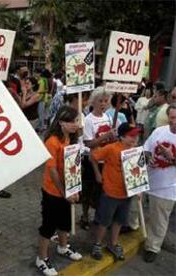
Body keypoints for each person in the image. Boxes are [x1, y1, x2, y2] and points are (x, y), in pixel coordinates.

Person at [36, 106, 82, 276]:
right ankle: (41, 258)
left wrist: (74, 188)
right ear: (61, 122)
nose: (75, 124)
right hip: (53, 192)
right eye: (72, 121)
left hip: (69, 189)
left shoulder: (72, 139)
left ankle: (63, 247)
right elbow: (53, 170)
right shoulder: (52, 141)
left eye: (77, 121)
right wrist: (64, 192)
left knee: (65, 222)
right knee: (48, 226)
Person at [90, 123, 140, 261]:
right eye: (131, 136)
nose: (135, 138)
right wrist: (97, 174)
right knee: (104, 221)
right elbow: (92, 156)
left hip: (127, 194)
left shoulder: (135, 151)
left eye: (136, 135)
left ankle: (113, 243)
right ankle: (98, 244)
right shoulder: (111, 148)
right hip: (111, 192)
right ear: (122, 137)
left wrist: (139, 188)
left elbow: (138, 172)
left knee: (119, 221)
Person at [143, 104, 176, 263]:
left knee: (160, 219)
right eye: (172, 117)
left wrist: (172, 157)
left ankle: (152, 247)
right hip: (147, 179)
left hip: (168, 188)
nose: (175, 121)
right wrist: (148, 156)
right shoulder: (159, 131)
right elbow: (147, 149)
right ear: (168, 117)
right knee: (137, 209)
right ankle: (134, 227)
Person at [81, 87, 115, 230]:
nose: (103, 104)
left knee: (100, 192)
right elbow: (88, 143)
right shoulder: (88, 120)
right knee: (88, 190)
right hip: (92, 161)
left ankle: (97, 217)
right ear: (93, 102)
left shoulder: (107, 117)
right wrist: (106, 136)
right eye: (100, 101)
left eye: (106, 101)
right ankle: (84, 216)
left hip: (105, 161)